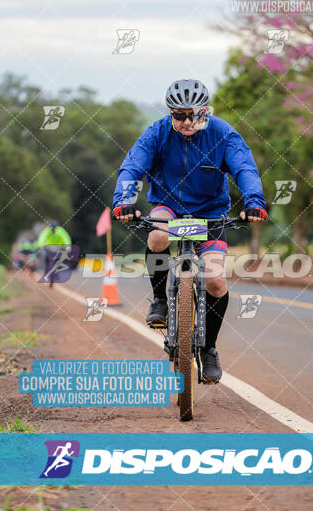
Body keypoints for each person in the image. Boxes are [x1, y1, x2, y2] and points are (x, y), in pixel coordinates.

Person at [113, 79, 267, 383]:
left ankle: (209, 349)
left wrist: (253, 202)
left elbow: (244, 168)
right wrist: (124, 201)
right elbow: (133, 166)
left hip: (210, 213)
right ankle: (159, 300)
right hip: (167, 206)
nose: (186, 122)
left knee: (215, 280)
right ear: (171, 113)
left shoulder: (223, 133)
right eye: (179, 115)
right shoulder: (157, 132)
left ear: (205, 111)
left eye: (193, 115)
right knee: (157, 236)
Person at [37, 220, 72, 287]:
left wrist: (68, 246)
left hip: (58, 249)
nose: (53, 230)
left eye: (54, 228)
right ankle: (46, 271)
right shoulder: (47, 231)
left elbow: (66, 238)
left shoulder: (60, 231)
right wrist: (40, 245)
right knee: (46, 259)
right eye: (52, 228)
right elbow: (42, 238)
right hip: (49, 249)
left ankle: (56, 273)